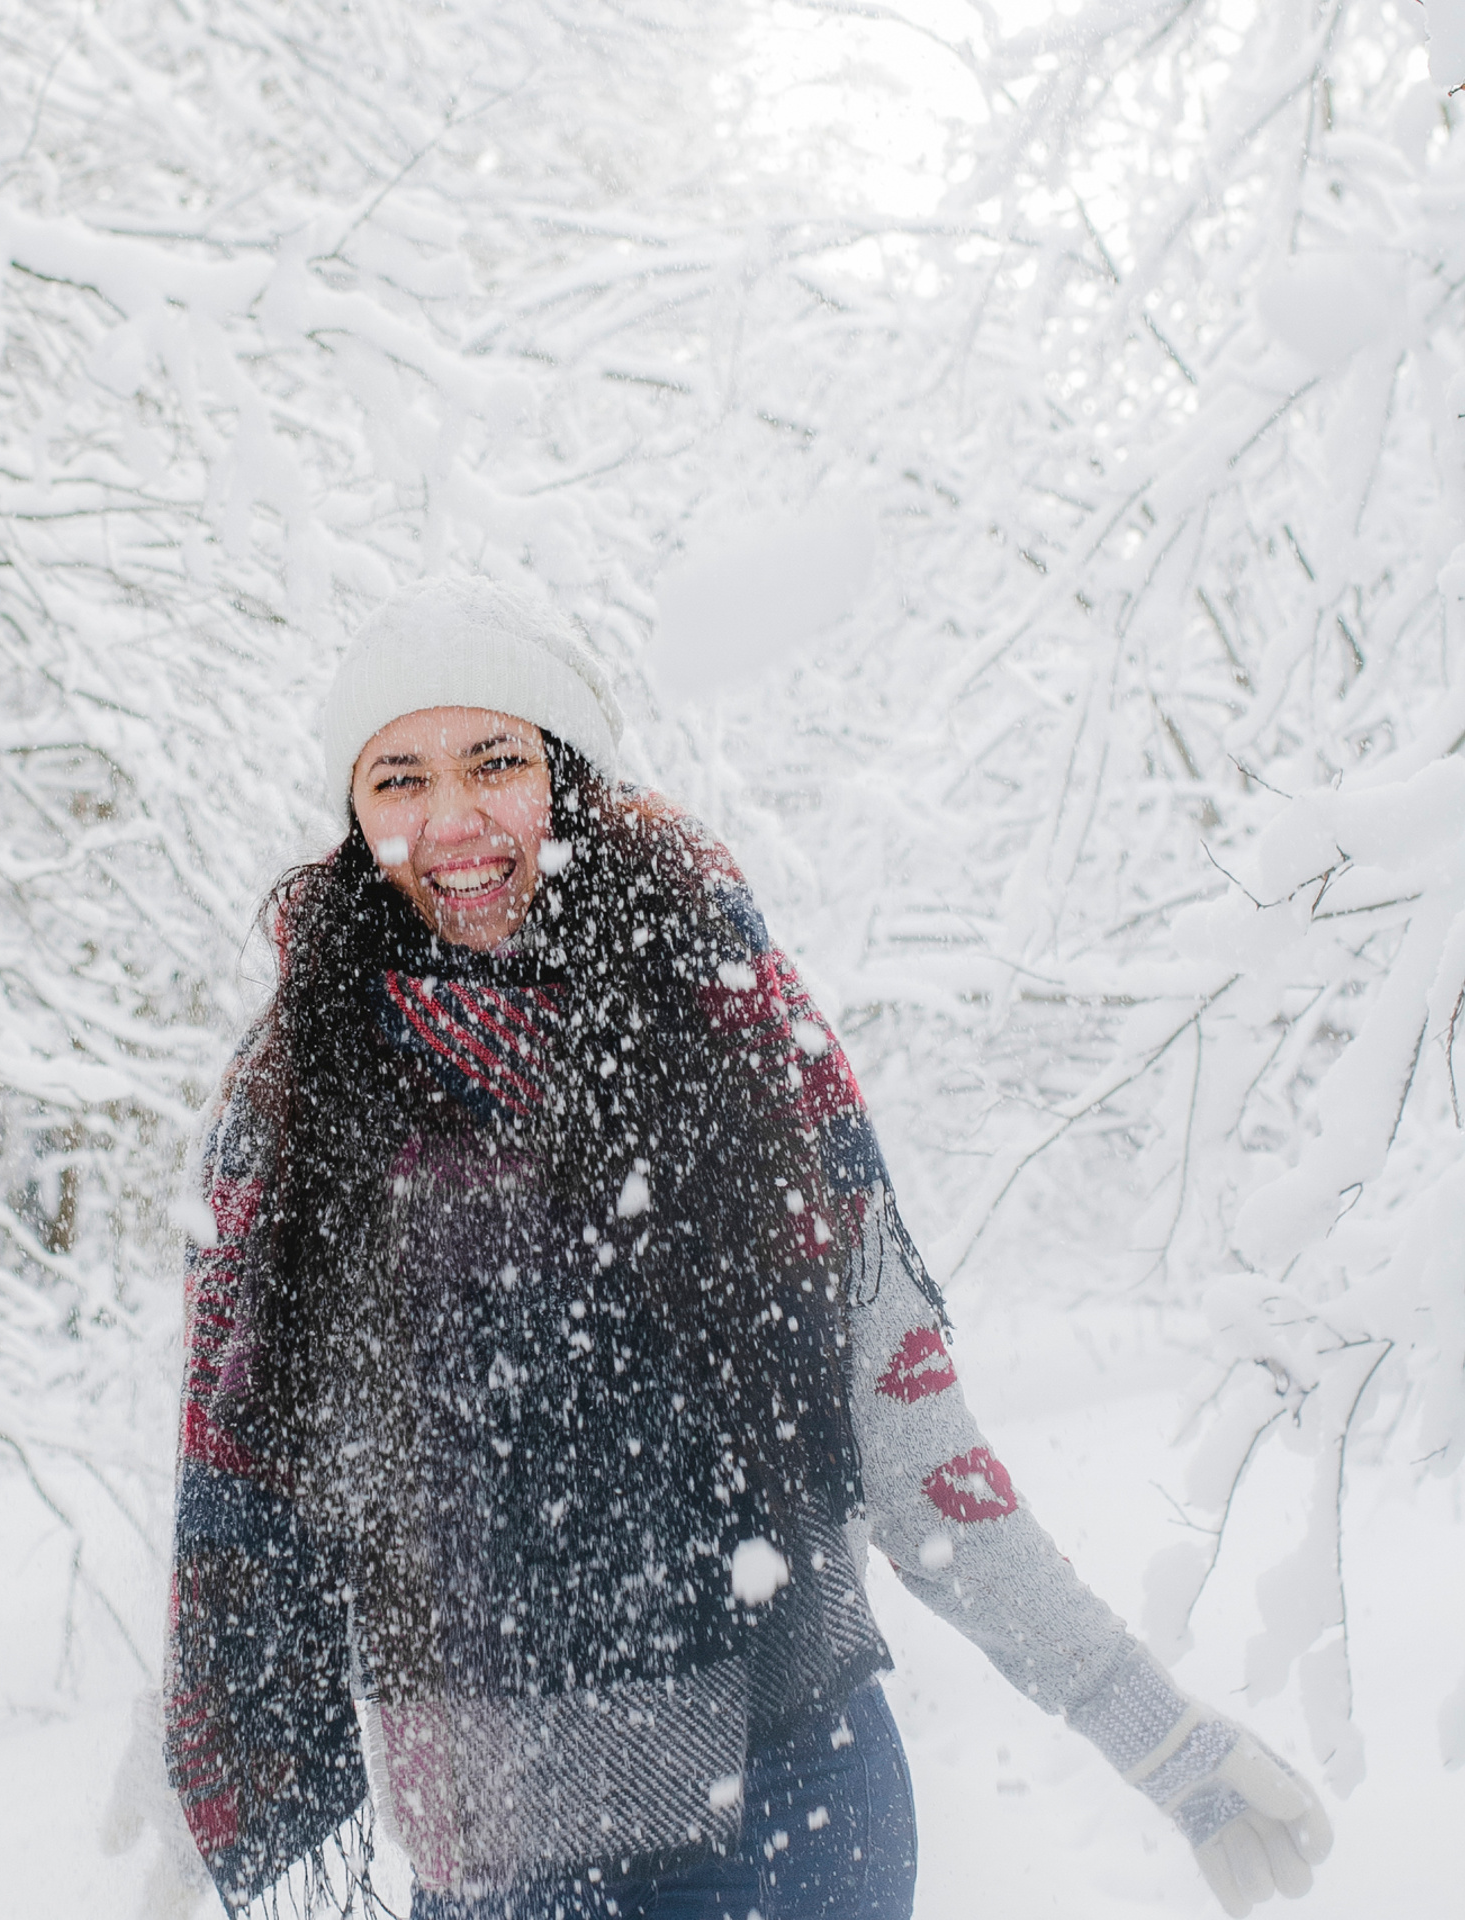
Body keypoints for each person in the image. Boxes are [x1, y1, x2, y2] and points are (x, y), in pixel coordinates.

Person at [164, 579, 1333, 1920]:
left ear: (572, 781)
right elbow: (246, 1513)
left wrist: (1161, 1737)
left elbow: (915, 1451)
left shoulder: (736, 1032)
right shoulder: (302, 1111)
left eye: (497, 761)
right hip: (509, 1863)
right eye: (398, 778)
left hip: (806, 1812)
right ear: (356, 815)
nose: (453, 820)